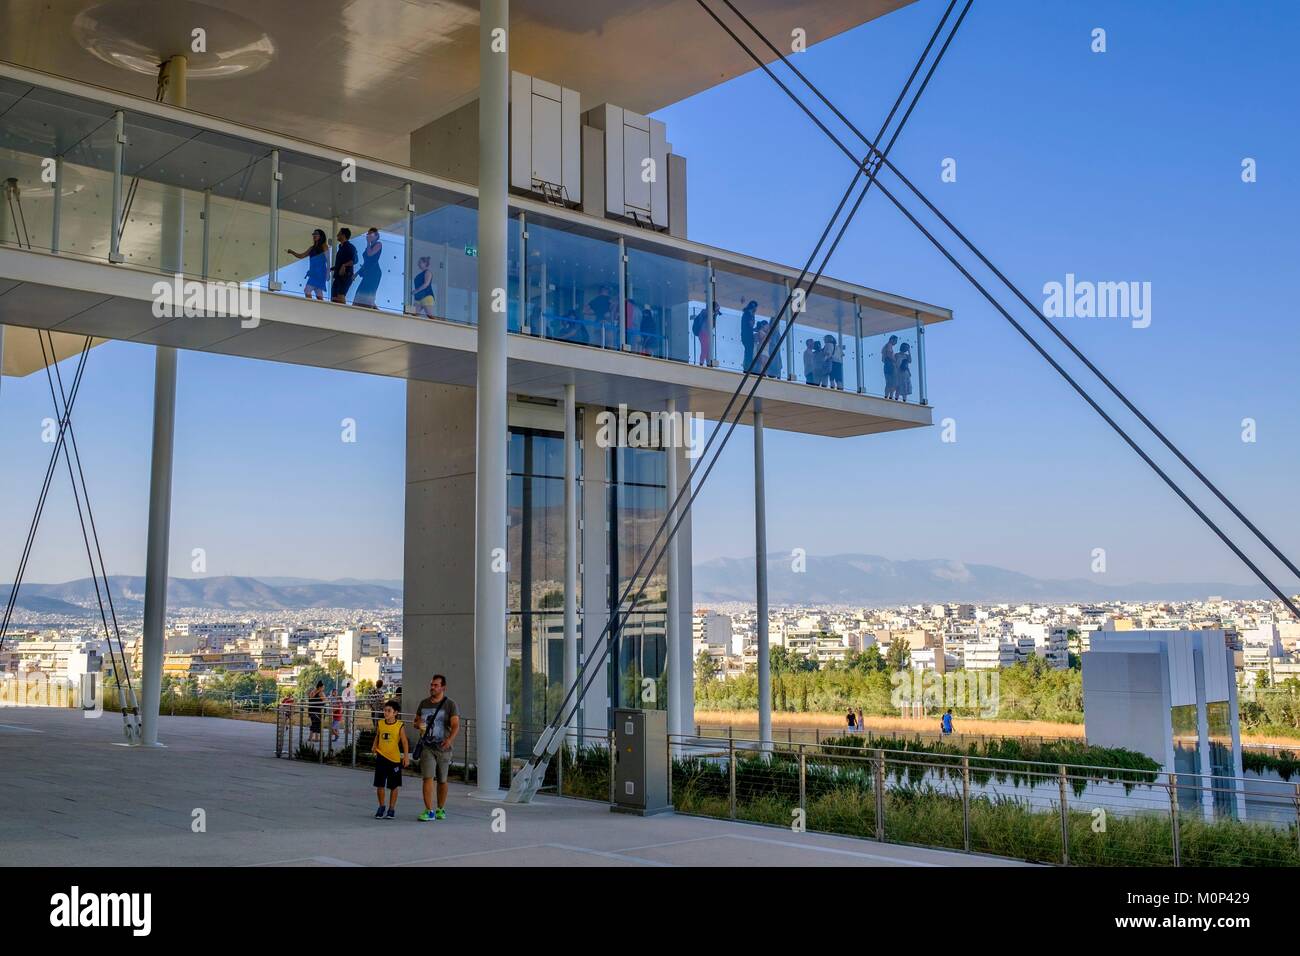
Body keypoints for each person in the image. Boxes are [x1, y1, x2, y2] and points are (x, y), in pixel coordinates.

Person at [413, 675, 460, 821]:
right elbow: (416, 721)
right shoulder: (423, 703)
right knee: (428, 778)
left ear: (443, 688)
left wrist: (449, 740)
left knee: (442, 780)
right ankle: (429, 810)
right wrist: (418, 724)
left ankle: (440, 808)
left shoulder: (450, 704)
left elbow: (455, 725)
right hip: (427, 746)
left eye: (436, 685)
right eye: (431, 685)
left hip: (444, 748)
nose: (432, 687)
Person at [371, 700, 410, 819]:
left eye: (389, 711)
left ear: (395, 713)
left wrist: (406, 756)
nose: (386, 713)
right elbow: (378, 735)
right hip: (381, 757)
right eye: (385, 710)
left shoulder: (399, 725)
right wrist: (374, 745)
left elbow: (404, 741)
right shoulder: (381, 723)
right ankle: (381, 806)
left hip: (394, 760)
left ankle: (391, 808)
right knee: (380, 784)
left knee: (393, 786)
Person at [285, 229, 329, 300]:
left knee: (307, 290)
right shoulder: (312, 248)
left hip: (320, 272)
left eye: (316, 234)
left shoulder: (324, 246)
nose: (314, 235)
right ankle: (321, 307)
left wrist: (327, 273)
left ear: (321, 236)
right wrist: (292, 252)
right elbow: (301, 255)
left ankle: (311, 305)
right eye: (313, 234)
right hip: (314, 273)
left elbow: (328, 260)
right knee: (318, 292)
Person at [353, 227, 383, 308]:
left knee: (368, 292)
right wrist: (356, 273)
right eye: (368, 234)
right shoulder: (369, 246)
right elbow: (366, 263)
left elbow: (370, 254)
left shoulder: (378, 244)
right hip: (368, 272)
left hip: (374, 272)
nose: (369, 235)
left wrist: (368, 242)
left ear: (376, 236)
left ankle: (371, 308)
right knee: (361, 292)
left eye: (371, 234)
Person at [330, 228, 357, 303]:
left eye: (339, 233)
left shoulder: (349, 247)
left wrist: (344, 265)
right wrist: (333, 268)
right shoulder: (341, 247)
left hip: (345, 276)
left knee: (340, 296)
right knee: (334, 297)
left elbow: (355, 260)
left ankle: (343, 313)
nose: (337, 235)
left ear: (343, 235)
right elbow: (341, 262)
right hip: (338, 277)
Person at [740, 300, 758, 370]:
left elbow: (748, 327)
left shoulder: (745, 314)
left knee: (747, 351)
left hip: (745, 335)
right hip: (748, 337)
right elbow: (751, 324)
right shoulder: (748, 314)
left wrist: (754, 329)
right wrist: (753, 316)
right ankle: (748, 367)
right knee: (749, 352)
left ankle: (747, 366)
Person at [306, 680, 325, 744]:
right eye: (323, 687)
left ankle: (310, 737)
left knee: (313, 723)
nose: (323, 689)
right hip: (317, 710)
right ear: (320, 687)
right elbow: (325, 700)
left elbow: (310, 698)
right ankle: (317, 738)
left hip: (311, 710)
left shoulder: (312, 692)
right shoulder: (320, 693)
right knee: (318, 723)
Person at [881, 334, 898, 400]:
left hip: (887, 365)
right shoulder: (889, 345)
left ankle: (887, 396)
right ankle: (890, 396)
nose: (896, 342)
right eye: (895, 341)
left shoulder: (886, 346)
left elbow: (882, 359)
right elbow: (889, 355)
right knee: (892, 382)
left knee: (889, 382)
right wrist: (894, 360)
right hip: (890, 365)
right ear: (891, 339)